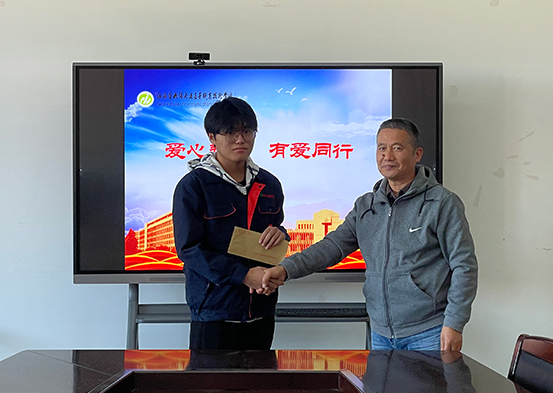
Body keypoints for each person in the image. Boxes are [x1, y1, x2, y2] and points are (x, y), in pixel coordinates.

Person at [261, 118, 477, 352]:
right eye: (381, 148)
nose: (387, 156)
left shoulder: (442, 203)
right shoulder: (366, 206)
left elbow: (464, 265)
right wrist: (285, 269)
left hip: (428, 332)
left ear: (417, 154)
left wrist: (454, 323)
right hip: (380, 333)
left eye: (397, 148)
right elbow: (332, 247)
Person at [173, 96, 288, 350]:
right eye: (230, 133)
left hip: (261, 307)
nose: (240, 140)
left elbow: (277, 228)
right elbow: (189, 249)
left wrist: (281, 234)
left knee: (261, 375)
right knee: (211, 377)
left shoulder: (269, 184)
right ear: (212, 137)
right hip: (214, 310)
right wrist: (244, 275)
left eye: (247, 131)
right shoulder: (194, 186)